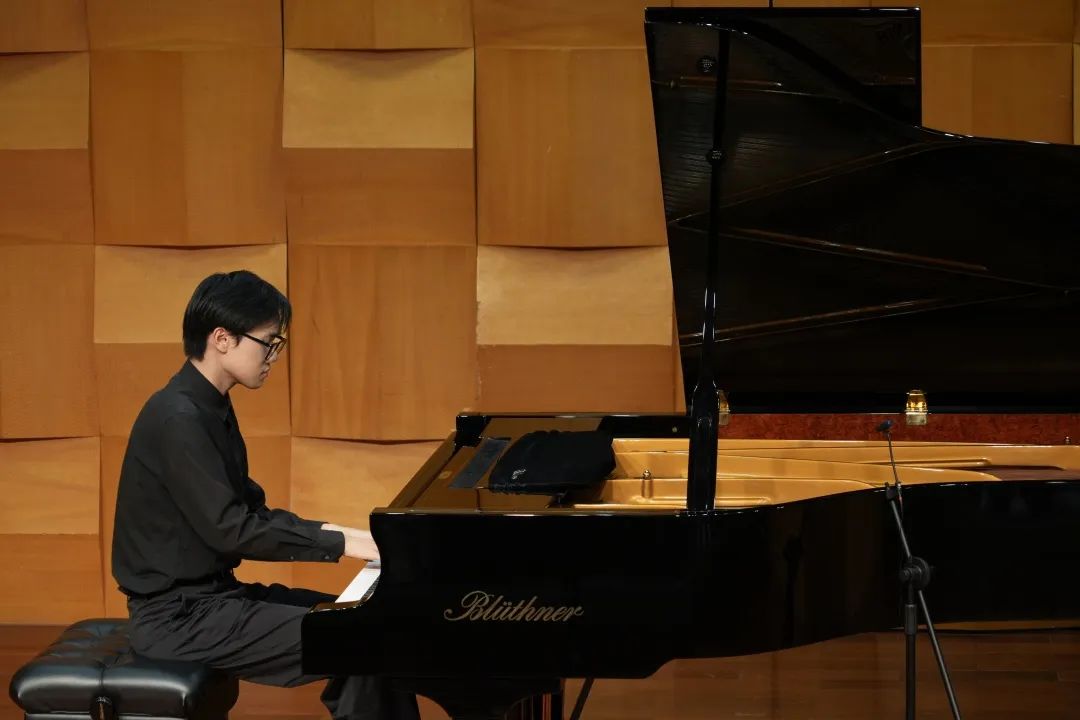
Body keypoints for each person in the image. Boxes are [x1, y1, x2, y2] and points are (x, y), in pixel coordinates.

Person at [111, 270, 419, 720]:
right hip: (178, 619)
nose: (274, 356)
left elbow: (252, 512)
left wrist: (357, 536)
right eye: (268, 343)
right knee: (360, 638)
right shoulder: (179, 417)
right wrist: (345, 544)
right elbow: (232, 530)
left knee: (367, 623)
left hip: (213, 600)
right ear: (222, 339)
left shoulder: (208, 407)